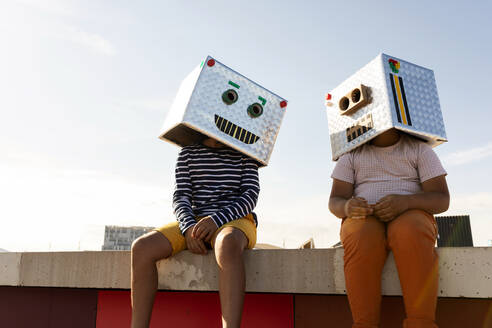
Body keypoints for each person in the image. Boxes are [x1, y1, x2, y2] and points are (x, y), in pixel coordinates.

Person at [130, 137, 260, 328]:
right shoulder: (187, 153)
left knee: (227, 243)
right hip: (195, 221)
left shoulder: (245, 152)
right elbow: (181, 196)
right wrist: (189, 227)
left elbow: (250, 195)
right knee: (141, 247)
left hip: (236, 220)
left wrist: (216, 220)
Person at [328, 128, 450, 328]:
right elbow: (335, 201)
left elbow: (442, 199)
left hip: (412, 213)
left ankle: (421, 323)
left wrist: (407, 203)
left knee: (410, 232)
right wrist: (347, 206)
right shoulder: (350, 155)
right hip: (364, 218)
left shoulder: (420, 150)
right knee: (360, 235)